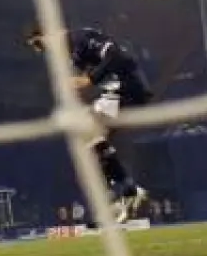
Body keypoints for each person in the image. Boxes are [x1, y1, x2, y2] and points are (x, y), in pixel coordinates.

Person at [27, 26, 151, 222]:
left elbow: (114, 53)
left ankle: (118, 197)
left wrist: (89, 79)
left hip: (128, 88)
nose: (39, 50)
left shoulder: (81, 38)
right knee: (91, 140)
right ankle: (127, 192)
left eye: (39, 44)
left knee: (89, 133)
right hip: (115, 92)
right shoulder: (70, 55)